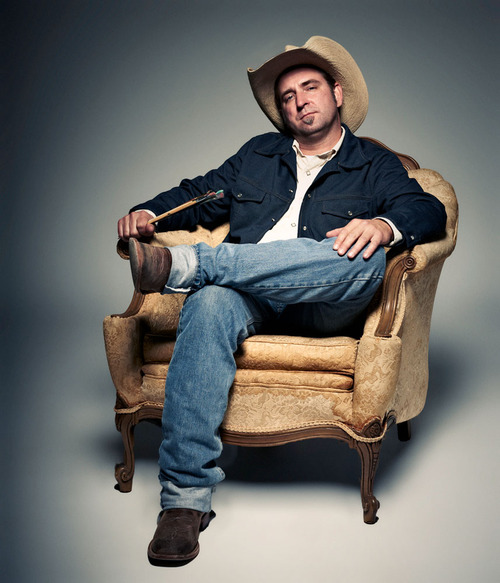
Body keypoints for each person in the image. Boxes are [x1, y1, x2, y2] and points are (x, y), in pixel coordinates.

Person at [117, 36, 446, 567]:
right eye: (288, 95)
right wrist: (147, 213)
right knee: (209, 303)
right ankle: (184, 500)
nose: (299, 101)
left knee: (360, 257)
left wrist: (384, 226)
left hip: (327, 302)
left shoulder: (374, 163)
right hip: (250, 297)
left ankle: (189, 268)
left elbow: (429, 211)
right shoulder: (258, 155)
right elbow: (200, 194)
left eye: (310, 87)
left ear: (337, 93)